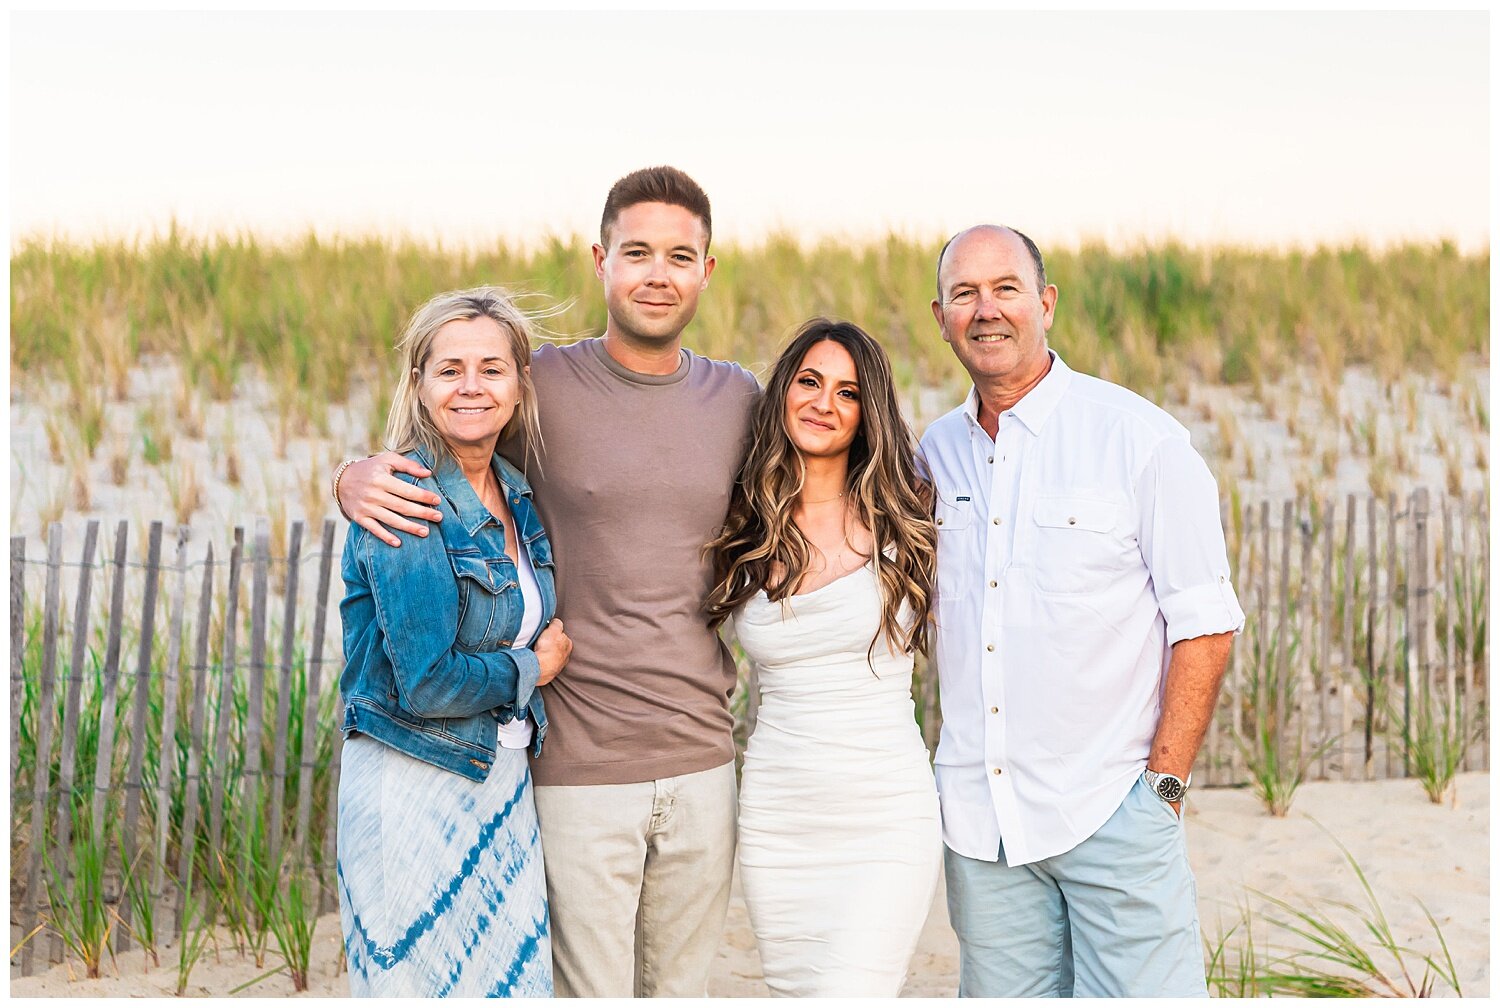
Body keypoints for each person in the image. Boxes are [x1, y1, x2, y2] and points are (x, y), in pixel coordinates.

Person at [334, 167, 761, 997]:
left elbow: (833, 476)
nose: (657, 274)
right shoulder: (541, 385)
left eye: (680, 255)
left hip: (704, 756)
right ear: (601, 259)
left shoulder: (738, 397)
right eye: (636, 252)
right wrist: (351, 475)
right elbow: (444, 426)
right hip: (574, 761)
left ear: (707, 270)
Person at [921, 224, 1246, 997]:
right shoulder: (933, 453)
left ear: (1046, 302)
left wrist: (1161, 790)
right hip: (983, 828)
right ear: (940, 317)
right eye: (964, 293)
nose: (986, 309)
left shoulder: (1139, 440)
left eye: (1005, 288)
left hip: (1112, 810)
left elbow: (1206, 623)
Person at [335, 287, 573, 997]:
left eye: (492, 368)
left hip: (498, 783)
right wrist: (533, 666)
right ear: (419, 384)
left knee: (510, 983)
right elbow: (427, 683)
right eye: (450, 369)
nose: (472, 386)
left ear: (520, 385)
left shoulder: (516, 492)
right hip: (411, 783)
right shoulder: (403, 498)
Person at [705, 318, 941, 996]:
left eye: (848, 392)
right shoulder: (742, 518)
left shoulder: (910, 515)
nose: (823, 404)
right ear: (783, 391)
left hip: (885, 811)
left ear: (868, 414)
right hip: (781, 813)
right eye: (809, 382)